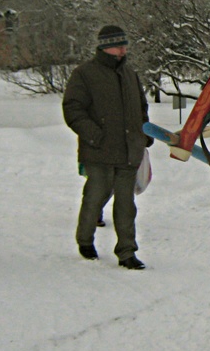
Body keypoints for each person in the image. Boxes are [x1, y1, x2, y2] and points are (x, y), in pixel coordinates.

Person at [63, 25, 153, 270]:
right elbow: (73, 109)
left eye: (125, 45)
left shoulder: (130, 74)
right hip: (99, 151)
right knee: (95, 196)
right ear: (105, 46)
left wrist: (144, 132)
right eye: (118, 45)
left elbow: (142, 107)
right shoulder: (84, 74)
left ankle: (127, 252)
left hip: (128, 150)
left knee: (126, 205)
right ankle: (85, 239)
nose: (123, 50)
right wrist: (94, 135)